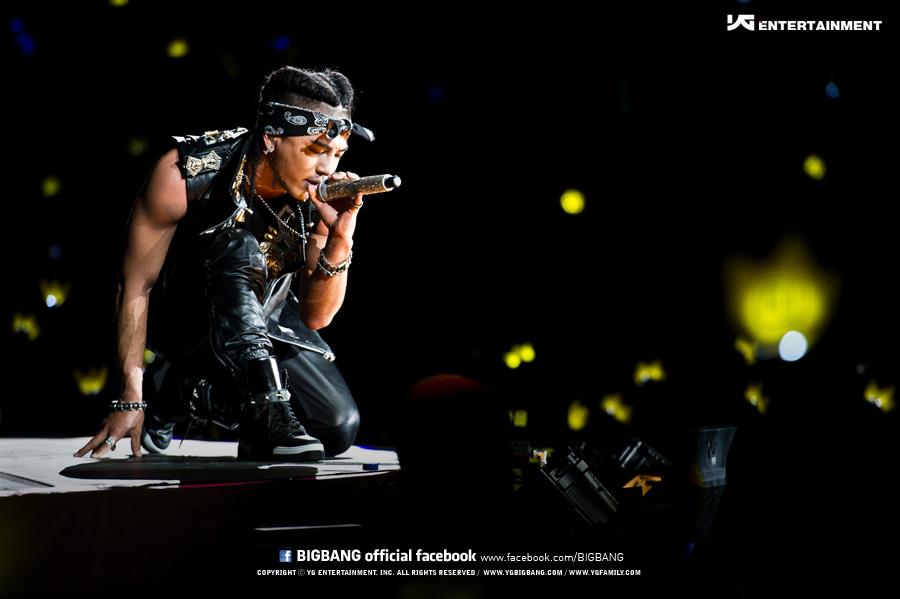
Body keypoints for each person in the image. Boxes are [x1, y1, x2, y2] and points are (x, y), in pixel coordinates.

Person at [75, 66, 373, 462]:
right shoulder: (186, 171)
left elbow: (316, 317)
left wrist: (338, 239)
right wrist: (131, 395)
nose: (327, 169)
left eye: (336, 155)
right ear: (271, 138)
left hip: (264, 319)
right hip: (188, 319)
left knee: (336, 427)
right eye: (316, 151)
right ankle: (253, 402)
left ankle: (188, 394)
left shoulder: (313, 196)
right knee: (238, 245)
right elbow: (134, 285)